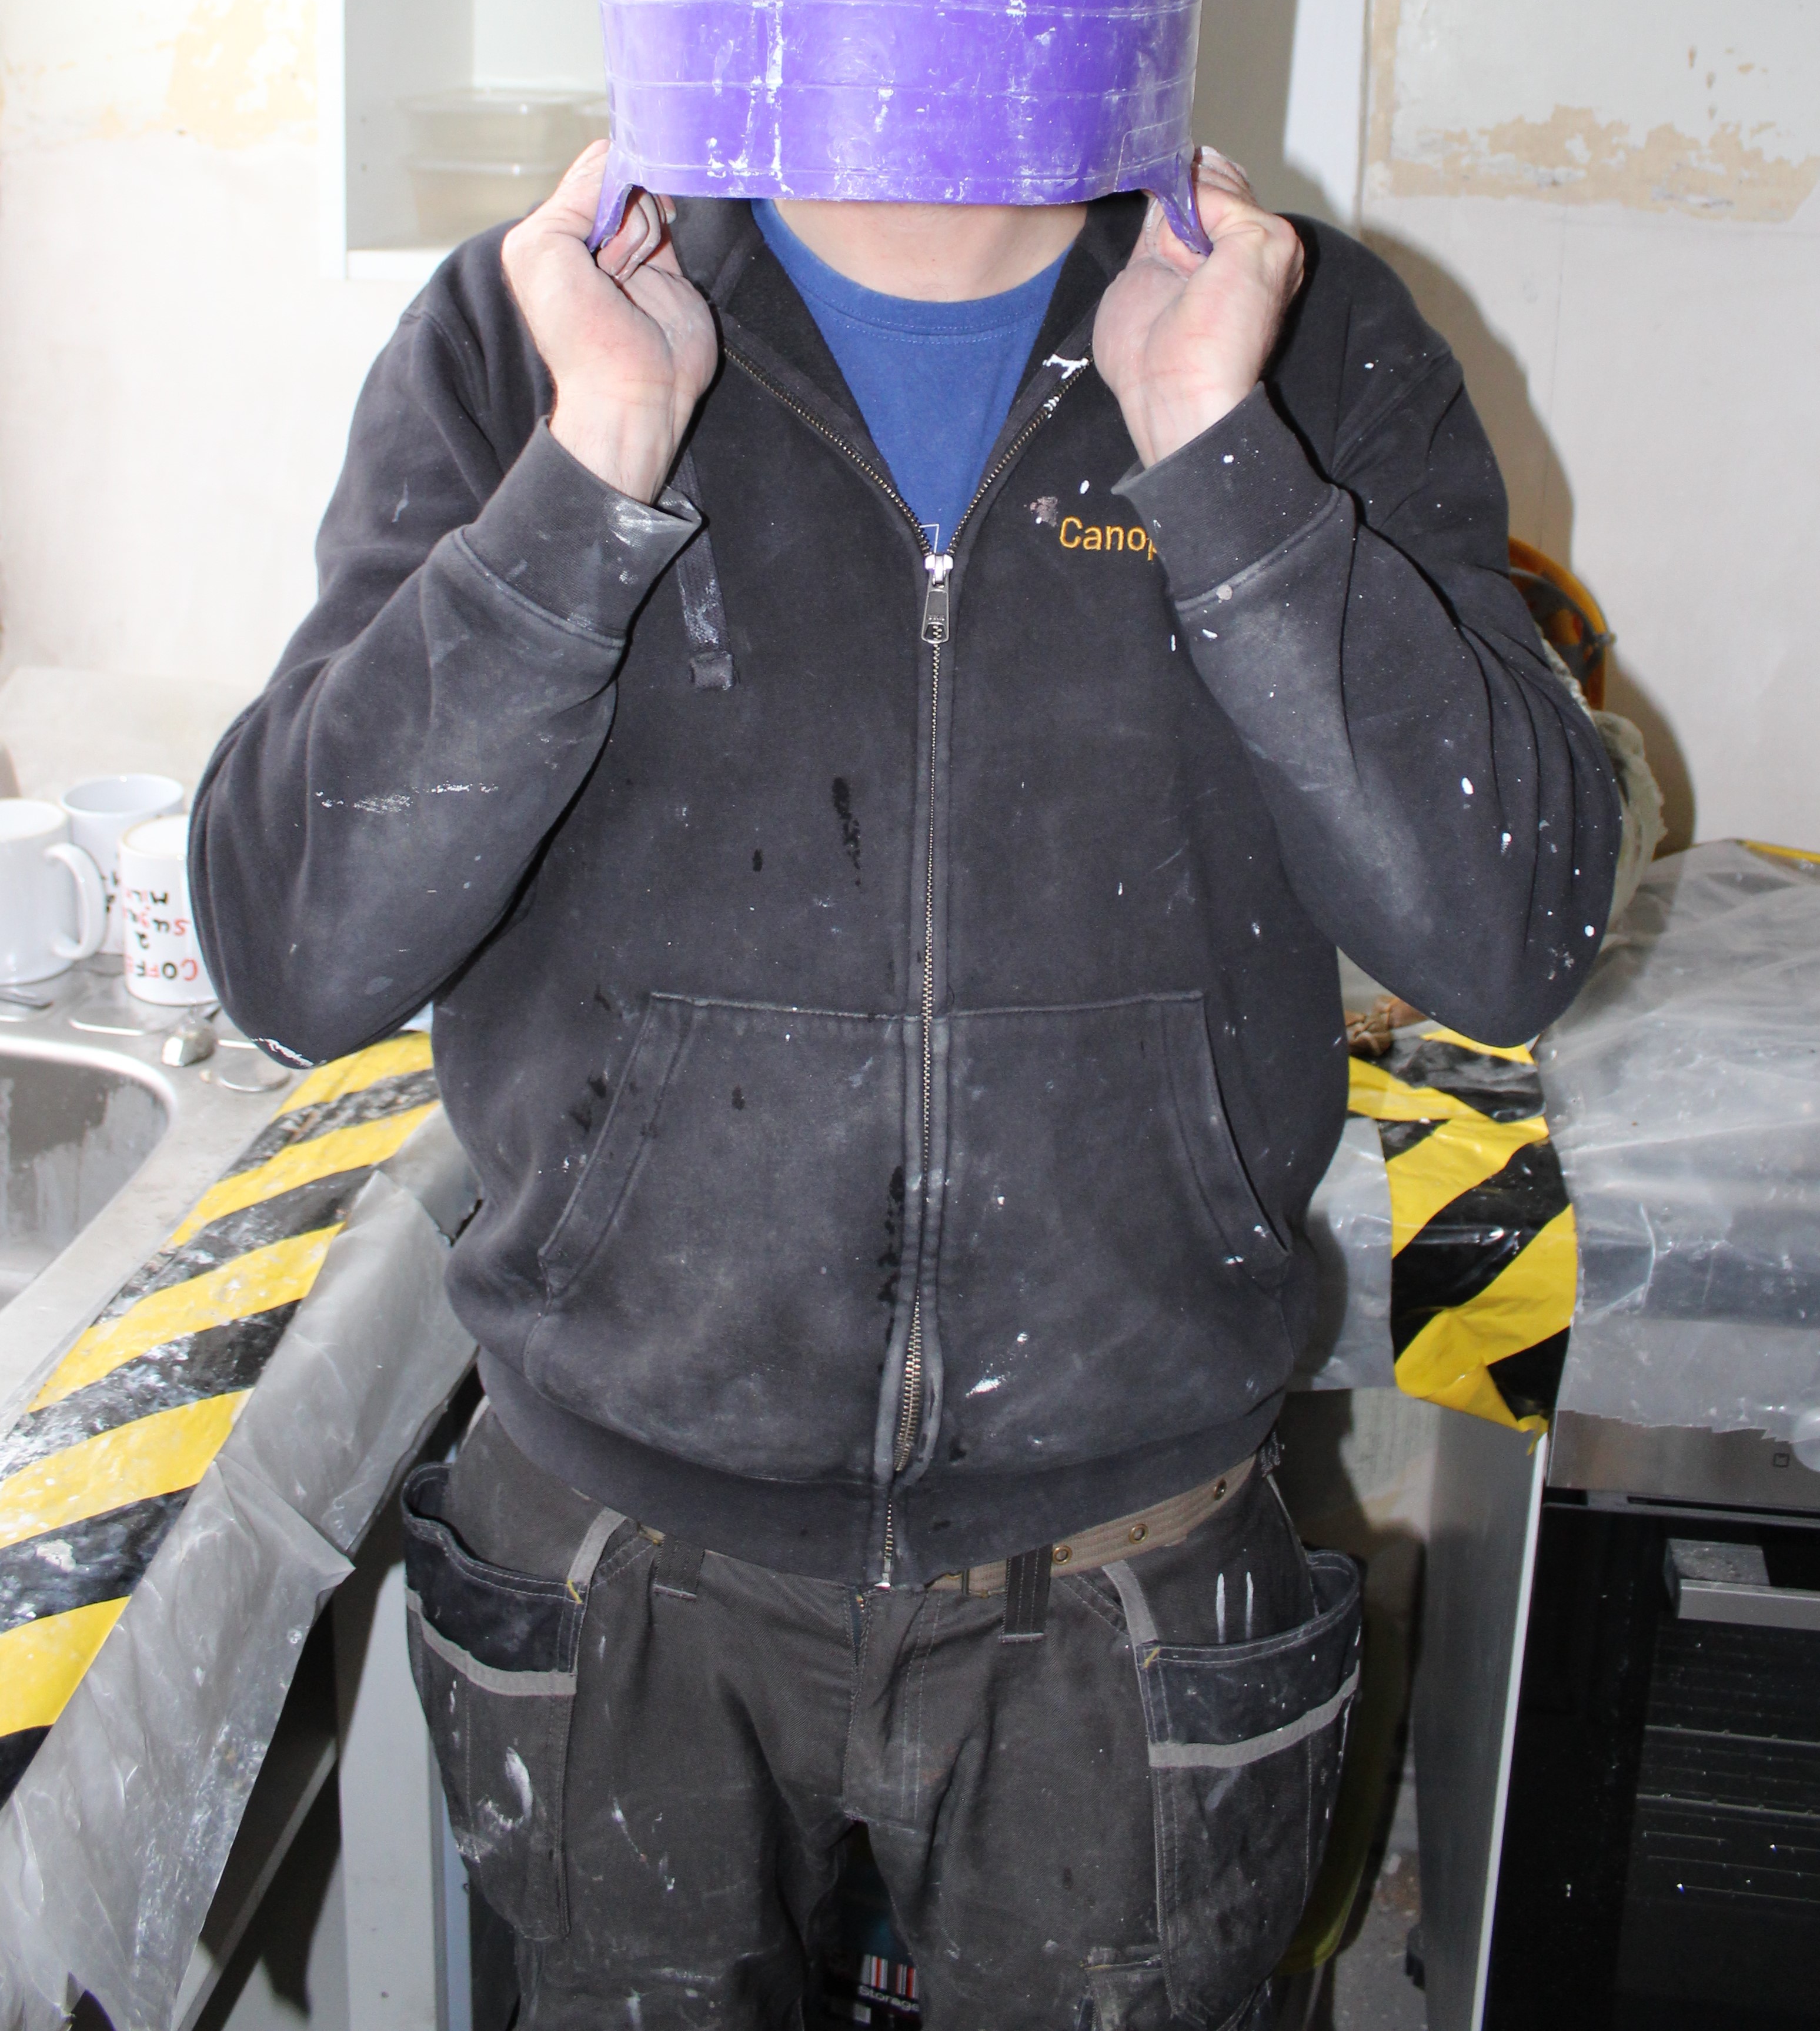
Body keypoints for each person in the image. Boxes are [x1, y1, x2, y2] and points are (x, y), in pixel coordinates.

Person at [192, 142, 1619, 2031]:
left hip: (1130, 1567)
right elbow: (296, 946)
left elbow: (1511, 923)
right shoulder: (535, 332)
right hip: (620, 1560)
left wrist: (1213, 441)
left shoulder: (1301, 334)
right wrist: (592, 459)